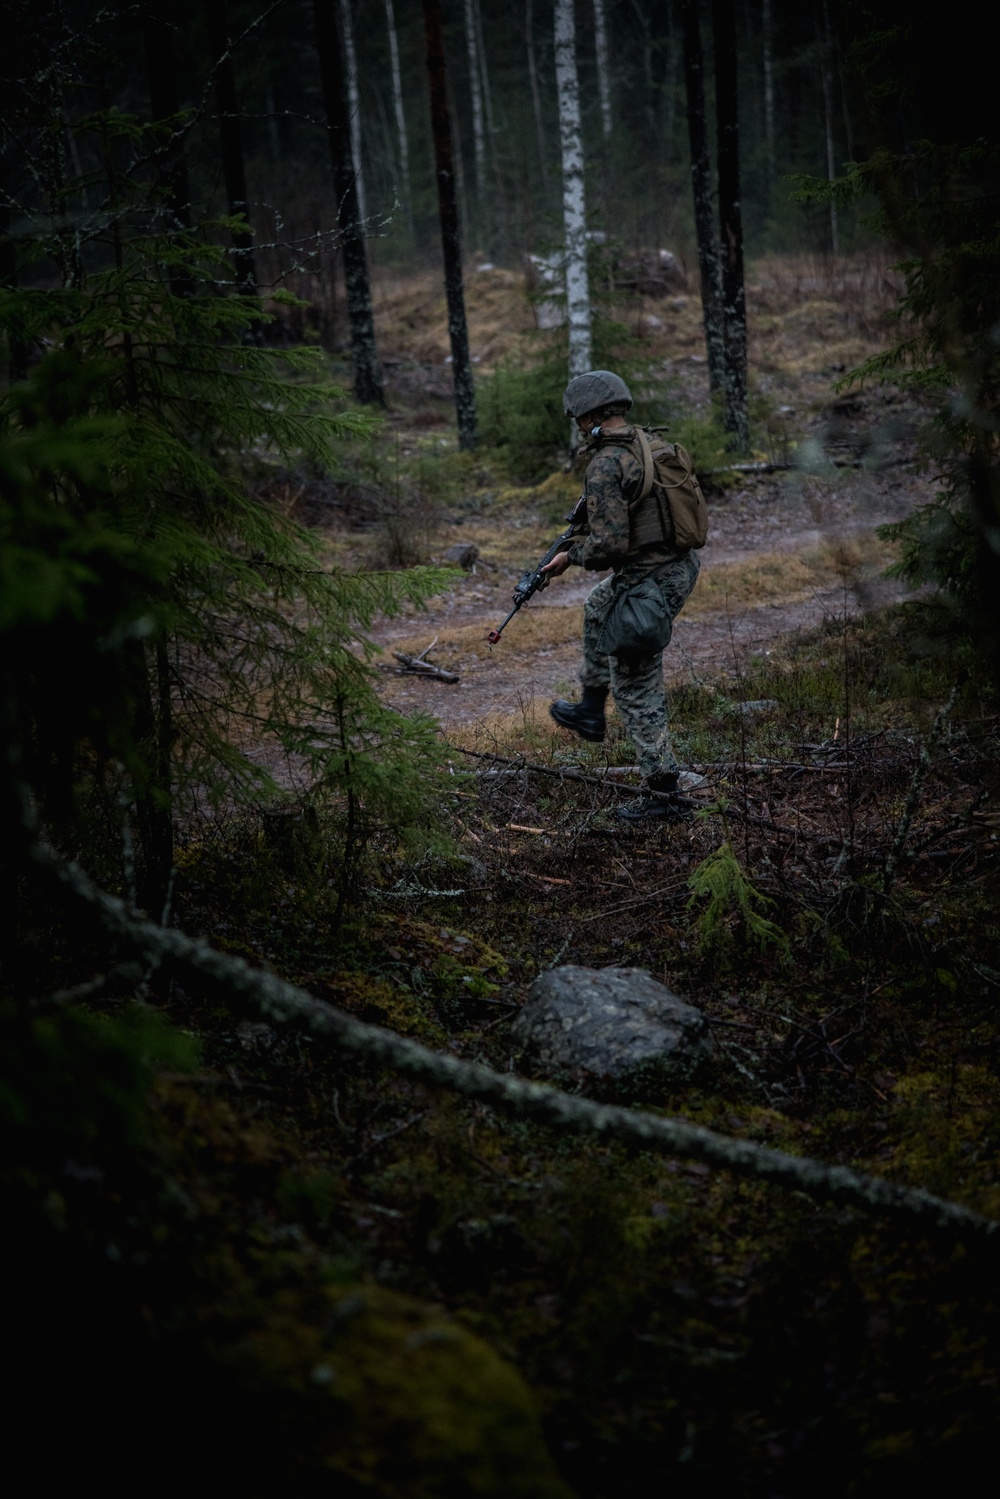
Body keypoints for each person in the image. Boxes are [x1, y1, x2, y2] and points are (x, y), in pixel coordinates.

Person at [542, 369, 701, 820]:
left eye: (578, 419)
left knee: (635, 684)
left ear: (592, 415)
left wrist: (568, 558)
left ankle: (665, 797)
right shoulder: (648, 443)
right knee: (597, 605)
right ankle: (591, 709)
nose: (578, 427)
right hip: (676, 567)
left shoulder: (606, 463)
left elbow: (609, 546)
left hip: (648, 582)